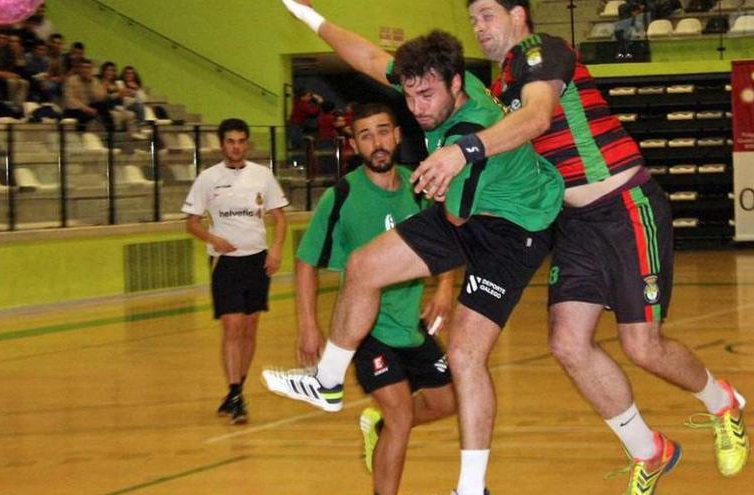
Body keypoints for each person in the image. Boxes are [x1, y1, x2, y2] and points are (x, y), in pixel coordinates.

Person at [412, 1, 749, 493]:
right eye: (473, 20)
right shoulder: (500, 84)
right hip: (574, 222)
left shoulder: (541, 52)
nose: (479, 27)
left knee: (642, 346)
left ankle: (724, 402)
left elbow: (539, 117)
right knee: (567, 343)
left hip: (625, 205)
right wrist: (312, 19)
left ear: (519, 14)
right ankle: (649, 450)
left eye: (487, 14)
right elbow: (398, 71)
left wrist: (463, 150)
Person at [264, 5, 564, 495]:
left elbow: (457, 220)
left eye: (426, 95)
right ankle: (329, 380)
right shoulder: (433, 76)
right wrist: (311, 18)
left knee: (466, 357)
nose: (418, 106)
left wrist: (454, 164)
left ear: (455, 86)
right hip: (468, 204)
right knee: (362, 266)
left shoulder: (471, 127)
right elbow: (366, 56)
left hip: (514, 227)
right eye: (409, 95)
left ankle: (471, 488)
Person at [295, 103, 456, 495]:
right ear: (354, 144)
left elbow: (448, 238)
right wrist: (308, 324)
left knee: (447, 402)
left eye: (383, 132)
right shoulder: (342, 196)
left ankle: (379, 427)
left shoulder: (419, 187)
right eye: (365, 135)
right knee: (401, 416)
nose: (377, 143)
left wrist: (445, 287)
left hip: (409, 325)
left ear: (398, 135)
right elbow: (305, 262)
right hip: (365, 331)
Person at [183, 118, 289, 425]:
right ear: (222, 144)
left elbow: (279, 218)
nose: (236, 146)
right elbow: (191, 222)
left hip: (257, 261)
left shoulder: (263, 176)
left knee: (250, 327)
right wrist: (213, 238)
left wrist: (277, 248)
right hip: (225, 263)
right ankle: (235, 393)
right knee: (232, 325)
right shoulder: (207, 178)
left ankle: (236, 391)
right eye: (230, 141)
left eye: (241, 141)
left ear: (247, 143)